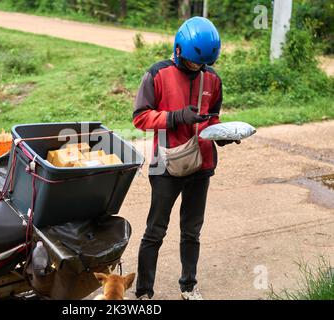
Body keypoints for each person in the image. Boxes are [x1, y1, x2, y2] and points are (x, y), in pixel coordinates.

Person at [132, 17, 240, 300]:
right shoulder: (157, 74)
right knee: (155, 231)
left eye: (201, 64)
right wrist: (176, 116)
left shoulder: (212, 78)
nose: (196, 67)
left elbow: (212, 117)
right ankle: (144, 292)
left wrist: (222, 135)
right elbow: (140, 117)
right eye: (192, 62)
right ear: (178, 50)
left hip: (201, 164)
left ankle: (189, 286)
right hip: (165, 163)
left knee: (192, 231)